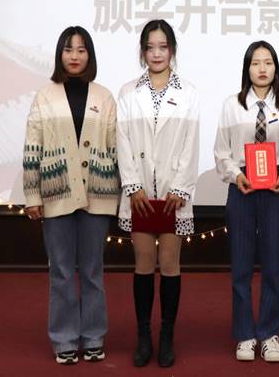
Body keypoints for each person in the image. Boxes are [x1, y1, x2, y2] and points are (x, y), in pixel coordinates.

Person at [22, 25, 121, 365]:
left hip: (98, 193)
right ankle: (64, 338)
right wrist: (32, 195)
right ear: (59, 54)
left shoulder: (104, 97)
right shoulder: (44, 96)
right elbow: (32, 147)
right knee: (62, 271)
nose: (75, 56)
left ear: (90, 55)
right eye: (68, 49)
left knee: (92, 271)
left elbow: (115, 147)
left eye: (81, 50)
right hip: (56, 193)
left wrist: (123, 193)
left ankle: (93, 336)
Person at [116, 19, 199, 368]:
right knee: (143, 263)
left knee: (169, 264)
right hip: (138, 197)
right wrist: (132, 185)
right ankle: (143, 336)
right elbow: (122, 141)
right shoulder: (127, 92)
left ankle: (166, 335)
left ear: (172, 51)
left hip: (172, 196)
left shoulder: (188, 93)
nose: (156, 53)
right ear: (142, 52)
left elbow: (191, 145)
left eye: (163, 47)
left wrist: (179, 187)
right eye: (150, 47)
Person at [214, 41, 279, 363]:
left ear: (276, 68)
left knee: (273, 267)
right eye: (255, 63)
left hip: (275, 189)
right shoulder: (231, 105)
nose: (262, 68)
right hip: (242, 189)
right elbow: (221, 151)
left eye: (268, 62)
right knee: (240, 267)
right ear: (247, 68)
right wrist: (235, 175)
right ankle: (244, 334)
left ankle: (269, 333)